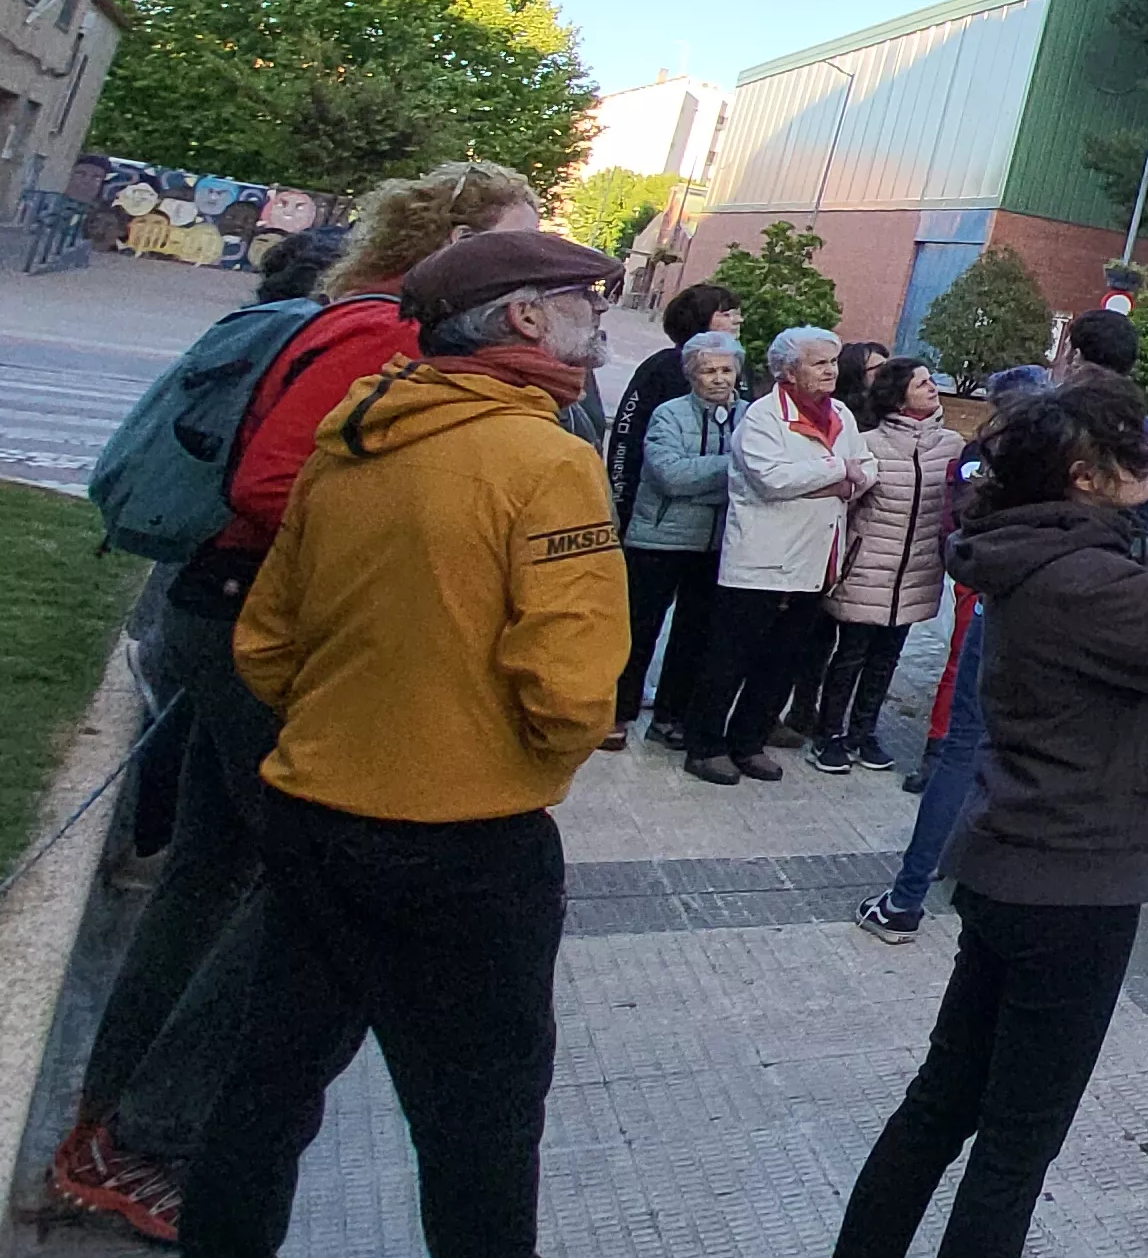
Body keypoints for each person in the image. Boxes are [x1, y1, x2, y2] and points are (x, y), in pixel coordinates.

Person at [46, 161, 540, 1245]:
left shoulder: (366, 321)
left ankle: (108, 1125)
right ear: (455, 244)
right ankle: (154, 1134)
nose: (536, 257)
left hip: (232, 622)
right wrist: (386, 536)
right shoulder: (380, 335)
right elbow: (272, 479)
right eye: (517, 235)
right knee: (313, 891)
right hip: (251, 632)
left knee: (212, 880)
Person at [178, 231, 629, 1258]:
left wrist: (352, 725)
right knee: (481, 1122)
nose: (599, 316)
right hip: (462, 842)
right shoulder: (548, 461)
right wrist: (527, 754)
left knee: (268, 1084)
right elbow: (568, 684)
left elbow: (269, 637)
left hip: (313, 807)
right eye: (583, 299)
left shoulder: (353, 433)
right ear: (524, 316)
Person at [828, 378, 1148, 1257]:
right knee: (1015, 1146)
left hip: (1015, 865)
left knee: (943, 1102)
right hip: (1071, 890)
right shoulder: (1079, 581)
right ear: (1084, 475)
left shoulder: (1052, 553)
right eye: (1136, 455)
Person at [859, 363, 1049, 941]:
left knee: (965, 749)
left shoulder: (990, 456)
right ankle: (982, 889)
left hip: (1000, 608)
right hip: (1045, 615)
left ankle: (908, 898)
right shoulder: (1069, 464)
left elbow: (964, 530)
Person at [683, 326, 872, 784]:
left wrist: (834, 477)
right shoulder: (763, 416)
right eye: (819, 362)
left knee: (781, 661)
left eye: (833, 360)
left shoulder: (841, 413)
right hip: (760, 561)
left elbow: (866, 470)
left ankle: (749, 742)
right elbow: (772, 480)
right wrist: (835, 472)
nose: (831, 370)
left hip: (813, 559)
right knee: (730, 659)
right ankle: (705, 745)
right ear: (788, 370)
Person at [810, 355, 961, 774]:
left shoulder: (951, 446)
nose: (932, 388)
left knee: (887, 657)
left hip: (916, 571)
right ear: (898, 396)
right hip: (867, 568)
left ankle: (864, 731)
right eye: (922, 383)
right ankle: (829, 734)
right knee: (851, 654)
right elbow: (847, 505)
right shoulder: (870, 443)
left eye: (932, 382)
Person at [608, 329, 744, 753]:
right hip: (659, 539)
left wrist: (709, 475)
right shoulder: (668, 414)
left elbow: (755, 479)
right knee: (638, 630)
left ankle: (669, 717)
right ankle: (615, 712)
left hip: (716, 544)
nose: (719, 379)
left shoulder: (751, 417)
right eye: (708, 371)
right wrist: (736, 468)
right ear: (691, 375)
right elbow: (671, 476)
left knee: (694, 635)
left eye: (726, 370)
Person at [601, 281, 740, 523]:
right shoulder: (662, 367)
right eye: (726, 314)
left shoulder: (737, 369)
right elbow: (627, 436)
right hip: (659, 523)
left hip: (715, 528)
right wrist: (622, 499)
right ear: (700, 319)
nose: (737, 321)